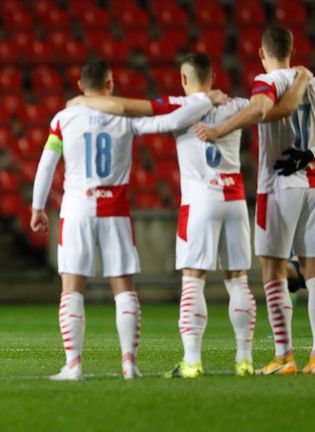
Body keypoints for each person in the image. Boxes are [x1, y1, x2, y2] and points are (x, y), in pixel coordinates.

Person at [68, 53, 311, 378]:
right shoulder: (238, 104)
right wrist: (301, 80)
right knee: (237, 280)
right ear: (212, 76)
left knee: (193, 281)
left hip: (199, 203)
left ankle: (193, 361)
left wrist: (80, 101)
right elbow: (282, 109)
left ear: (184, 80)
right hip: (235, 201)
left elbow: (125, 107)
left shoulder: (177, 107)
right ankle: (244, 360)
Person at [30, 60, 216, 380]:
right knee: (124, 289)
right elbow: (169, 121)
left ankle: (73, 366)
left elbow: (47, 164)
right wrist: (205, 101)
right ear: (110, 85)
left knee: (72, 290)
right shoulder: (123, 119)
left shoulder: (63, 120)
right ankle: (129, 362)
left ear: (80, 87)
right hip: (115, 211)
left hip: (76, 211)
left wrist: (37, 207)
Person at [195, 25, 315, 375]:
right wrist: (311, 153)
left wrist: (220, 130)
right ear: (293, 48)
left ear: (262, 53)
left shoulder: (267, 81)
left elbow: (260, 110)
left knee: (272, 272)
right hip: (313, 185)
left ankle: (284, 356)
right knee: (314, 270)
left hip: (278, 185)